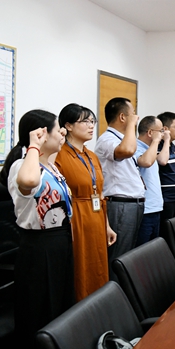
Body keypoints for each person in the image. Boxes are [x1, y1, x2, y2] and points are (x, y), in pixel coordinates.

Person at [0, 110, 74, 347]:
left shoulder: (49, 165)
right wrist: (33, 145)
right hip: (39, 248)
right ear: (42, 135)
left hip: (59, 242)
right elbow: (29, 182)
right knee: (40, 310)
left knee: (60, 304)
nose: (62, 134)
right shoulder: (22, 166)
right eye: (58, 130)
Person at [55, 103, 117, 301]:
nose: (91, 126)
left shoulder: (91, 156)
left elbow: (99, 192)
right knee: (80, 268)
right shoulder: (59, 155)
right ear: (68, 126)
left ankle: (99, 306)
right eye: (85, 121)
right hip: (76, 218)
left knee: (98, 264)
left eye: (92, 121)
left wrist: (107, 225)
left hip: (97, 217)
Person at [94, 97, 144, 278]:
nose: (136, 117)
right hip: (120, 204)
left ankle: (124, 289)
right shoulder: (107, 139)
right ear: (123, 117)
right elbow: (127, 151)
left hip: (133, 204)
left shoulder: (123, 138)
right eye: (133, 114)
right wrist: (131, 125)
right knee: (119, 256)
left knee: (128, 255)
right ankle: (114, 290)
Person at [134, 116, 170, 246]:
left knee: (153, 248)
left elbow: (163, 160)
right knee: (142, 249)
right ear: (150, 133)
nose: (163, 134)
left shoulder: (150, 148)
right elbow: (146, 162)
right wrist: (156, 141)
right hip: (145, 210)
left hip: (155, 207)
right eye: (160, 131)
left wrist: (166, 141)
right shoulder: (136, 147)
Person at [157, 111, 175, 221]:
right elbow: (162, 161)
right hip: (166, 197)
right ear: (165, 129)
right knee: (166, 227)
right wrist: (166, 140)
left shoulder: (173, 146)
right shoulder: (158, 145)